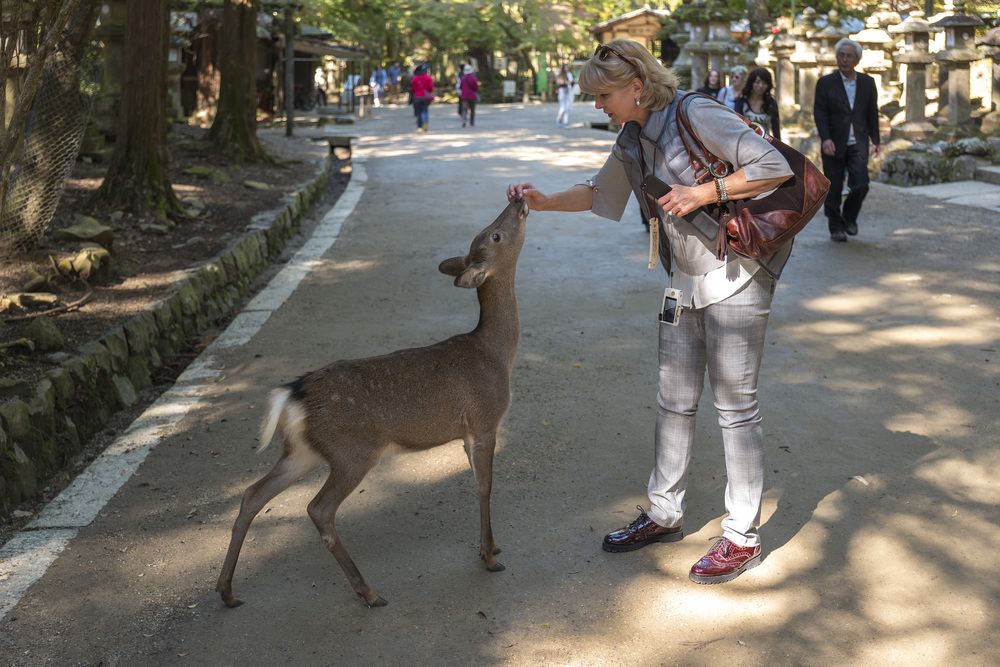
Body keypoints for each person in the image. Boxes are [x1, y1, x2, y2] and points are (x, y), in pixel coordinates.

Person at [506, 39, 792, 585]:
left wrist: (703, 193)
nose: (597, 105)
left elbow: (772, 166)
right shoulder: (633, 135)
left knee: (735, 406)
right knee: (674, 398)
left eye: (603, 94)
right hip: (683, 276)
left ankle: (742, 536)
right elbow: (599, 193)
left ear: (637, 85)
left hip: (738, 271)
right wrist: (544, 201)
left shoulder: (696, 111)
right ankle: (664, 512)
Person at [814, 38, 880, 242]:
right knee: (833, 186)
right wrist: (825, 139)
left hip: (858, 142)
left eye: (849, 55)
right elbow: (820, 113)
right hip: (834, 141)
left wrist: (876, 140)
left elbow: (872, 112)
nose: (844, 59)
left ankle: (849, 218)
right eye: (841, 55)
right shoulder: (825, 83)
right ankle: (835, 226)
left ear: (857, 59)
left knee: (861, 184)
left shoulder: (867, 82)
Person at [734, 67, 781, 141]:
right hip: (744, 144)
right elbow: (736, 126)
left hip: (765, 146)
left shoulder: (771, 103)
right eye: (757, 82)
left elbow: (776, 131)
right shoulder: (741, 102)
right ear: (751, 83)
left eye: (764, 83)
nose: (761, 86)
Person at [410, 63, 434, 132]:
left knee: (419, 112)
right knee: (425, 111)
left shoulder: (415, 79)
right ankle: (425, 125)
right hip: (425, 97)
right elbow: (430, 88)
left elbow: (413, 89)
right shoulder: (428, 78)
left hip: (417, 97)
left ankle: (419, 126)